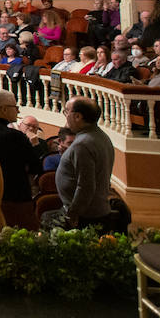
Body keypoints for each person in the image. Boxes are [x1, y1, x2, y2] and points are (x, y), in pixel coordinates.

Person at [47, 96, 117, 231]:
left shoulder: (82, 145)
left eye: (67, 111)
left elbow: (86, 186)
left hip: (85, 216)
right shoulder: (101, 136)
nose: (65, 115)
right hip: (94, 211)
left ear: (78, 116)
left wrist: (73, 214)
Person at [0, 89, 41, 222]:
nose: (18, 111)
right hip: (14, 198)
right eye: (15, 107)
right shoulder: (15, 137)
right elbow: (36, 167)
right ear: (4, 109)